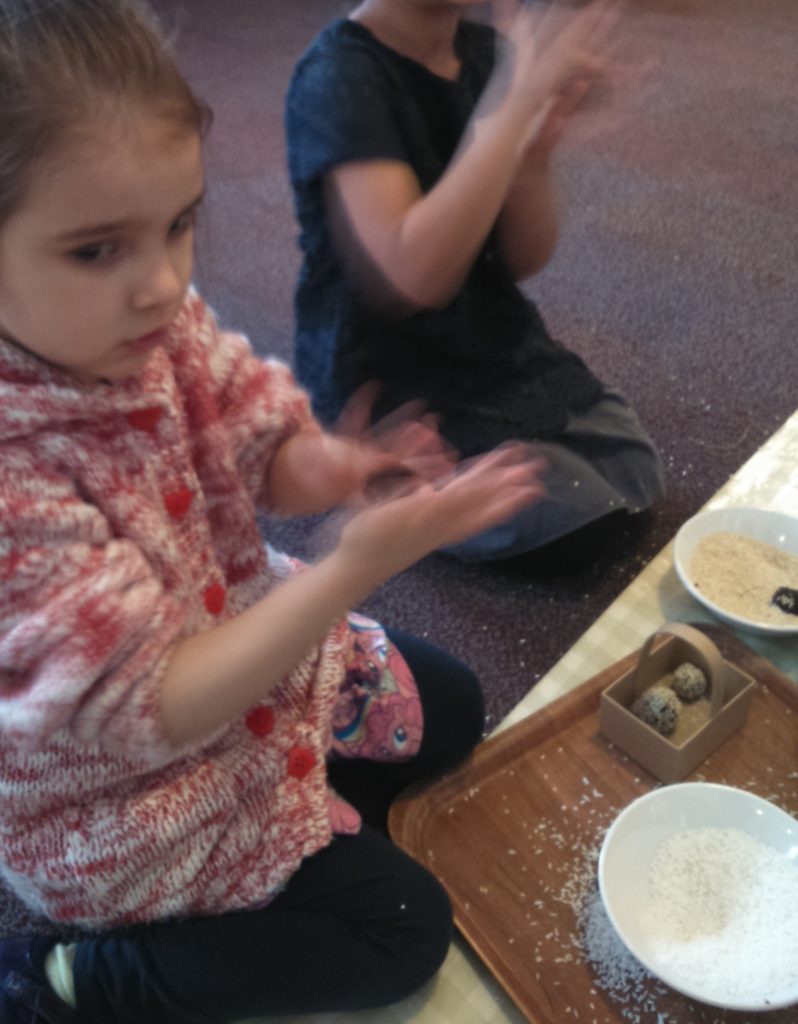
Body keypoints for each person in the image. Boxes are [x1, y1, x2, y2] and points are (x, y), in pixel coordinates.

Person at [0, 2, 548, 1022]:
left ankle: (305, 811)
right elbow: (158, 704)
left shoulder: (148, 320)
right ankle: (73, 976)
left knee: (458, 702)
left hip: (242, 641)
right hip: (125, 801)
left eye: (180, 222)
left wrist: (332, 462)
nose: (163, 282)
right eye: (94, 251)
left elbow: (254, 436)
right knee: (401, 929)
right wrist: (349, 568)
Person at [285, 0, 666, 568]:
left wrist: (534, 154)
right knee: (562, 512)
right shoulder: (341, 75)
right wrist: (513, 105)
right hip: (385, 374)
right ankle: (384, 480)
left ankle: (430, 491)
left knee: (627, 458)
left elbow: (522, 256)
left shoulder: (487, 56)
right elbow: (417, 275)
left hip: (482, 335)